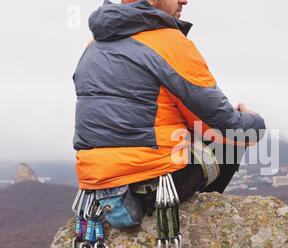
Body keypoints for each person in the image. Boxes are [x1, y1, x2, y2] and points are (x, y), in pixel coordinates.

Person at [73, 0, 266, 211]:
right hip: (154, 184)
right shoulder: (169, 42)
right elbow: (226, 124)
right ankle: (200, 215)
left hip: (97, 184)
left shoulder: (92, 45)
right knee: (231, 140)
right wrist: (254, 121)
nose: (184, 1)